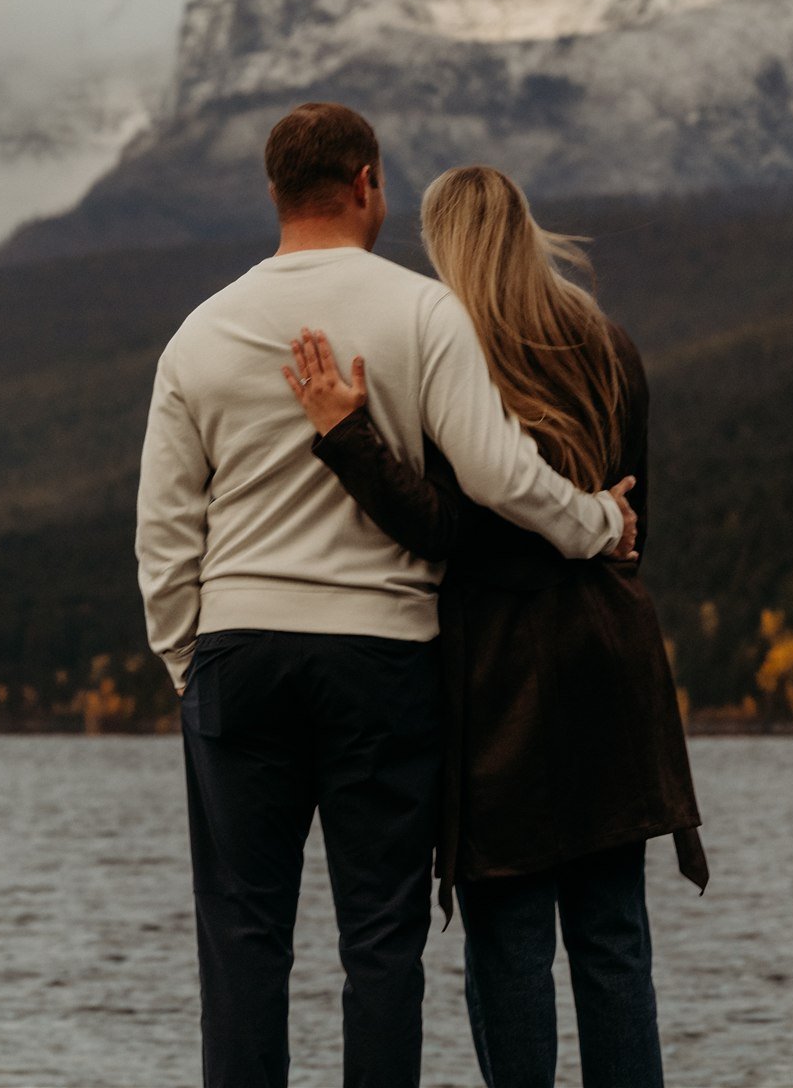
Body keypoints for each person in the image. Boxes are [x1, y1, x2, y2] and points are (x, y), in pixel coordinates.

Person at [134, 104, 639, 1088]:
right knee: (380, 947)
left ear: (273, 192)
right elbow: (499, 474)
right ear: (366, 181)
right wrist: (599, 522)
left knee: (242, 946)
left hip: (239, 655)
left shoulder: (198, 332)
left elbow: (164, 531)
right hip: (382, 662)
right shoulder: (421, 310)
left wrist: (187, 661)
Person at [283, 163, 708, 1088]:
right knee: (613, 943)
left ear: (446, 246)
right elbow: (631, 528)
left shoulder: (448, 351)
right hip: (610, 660)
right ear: (523, 229)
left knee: (510, 945)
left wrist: (346, 437)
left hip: (497, 679)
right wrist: (591, 533)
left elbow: (443, 527)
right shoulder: (609, 345)